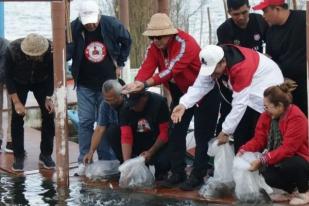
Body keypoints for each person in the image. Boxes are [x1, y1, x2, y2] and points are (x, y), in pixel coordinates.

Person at [123, 13, 221, 190]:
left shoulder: (186, 43)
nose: (156, 40)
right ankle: (178, 172)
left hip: (204, 92)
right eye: (152, 37)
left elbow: (171, 70)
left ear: (170, 33)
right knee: (175, 131)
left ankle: (198, 175)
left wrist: (144, 84)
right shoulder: (154, 47)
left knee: (201, 134)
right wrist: (137, 84)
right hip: (180, 93)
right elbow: (147, 67)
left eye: (159, 37)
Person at [171, 44, 284, 153]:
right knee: (240, 132)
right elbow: (201, 85)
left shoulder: (240, 67)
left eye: (214, 72)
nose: (212, 76)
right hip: (248, 88)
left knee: (254, 129)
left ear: (223, 62)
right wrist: (183, 104)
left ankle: (258, 164)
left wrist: (226, 131)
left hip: (265, 84)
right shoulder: (210, 59)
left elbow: (240, 103)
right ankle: (241, 162)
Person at [67, 0, 131, 175]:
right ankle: (84, 159)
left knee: (105, 122)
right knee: (86, 121)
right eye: (87, 22)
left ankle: (107, 159)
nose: (91, 25)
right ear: (80, 19)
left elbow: (127, 40)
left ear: (99, 15)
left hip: (108, 84)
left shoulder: (112, 24)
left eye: (94, 21)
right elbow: (67, 50)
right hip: (85, 83)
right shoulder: (73, 28)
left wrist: (120, 62)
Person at [238, 80, 309, 205]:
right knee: (266, 174)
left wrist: (263, 160)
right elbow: (259, 140)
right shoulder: (267, 116)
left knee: (291, 163)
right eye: (264, 106)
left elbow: (288, 149)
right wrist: (244, 150)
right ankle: (289, 190)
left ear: (280, 106)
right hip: (282, 158)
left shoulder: (296, 117)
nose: (265, 110)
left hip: (303, 159)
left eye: (267, 106)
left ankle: (305, 192)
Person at [5, 33, 55, 172]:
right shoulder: (12, 50)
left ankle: (46, 154)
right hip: (18, 81)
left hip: (42, 81)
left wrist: (49, 97)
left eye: (38, 55)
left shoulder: (50, 49)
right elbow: (7, 76)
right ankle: (18, 156)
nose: (36, 58)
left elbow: (52, 74)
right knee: (17, 116)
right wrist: (16, 102)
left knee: (49, 114)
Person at [253, 0, 307, 116]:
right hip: (286, 87)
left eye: (265, 11)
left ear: (277, 9)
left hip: (306, 81)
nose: (263, 16)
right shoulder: (271, 32)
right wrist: (282, 81)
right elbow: (272, 62)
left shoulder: (304, 19)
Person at [111, 91, 170, 180]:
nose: (133, 107)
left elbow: (164, 133)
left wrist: (150, 152)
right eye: (131, 105)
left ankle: (161, 172)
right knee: (113, 132)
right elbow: (126, 137)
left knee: (163, 162)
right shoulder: (126, 108)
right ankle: (131, 166)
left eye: (136, 104)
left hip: (156, 142)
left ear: (144, 97)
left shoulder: (159, 102)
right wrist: (127, 165)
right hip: (137, 142)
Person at [83, 79, 125, 167]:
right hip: (119, 136)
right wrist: (91, 152)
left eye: (113, 99)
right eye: (107, 100)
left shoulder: (129, 103)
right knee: (111, 130)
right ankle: (122, 161)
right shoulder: (105, 105)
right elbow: (99, 129)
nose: (110, 103)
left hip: (134, 136)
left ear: (121, 94)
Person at [0, 37, 13, 153]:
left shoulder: (6, 46)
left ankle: (11, 141)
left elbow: (5, 69)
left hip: (11, 75)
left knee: (13, 108)